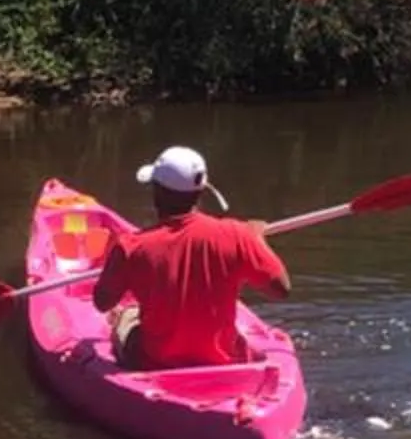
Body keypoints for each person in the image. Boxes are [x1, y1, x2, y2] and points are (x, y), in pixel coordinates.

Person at [92, 146, 290, 368]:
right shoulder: (239, 234)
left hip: (155, 363)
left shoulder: (130, 246)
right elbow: (280, 289)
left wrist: (114, 260)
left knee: (125, 316)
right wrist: (256, 239)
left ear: (157, 191)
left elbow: (102, 302)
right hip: (220, 360)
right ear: (201, 191)